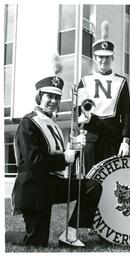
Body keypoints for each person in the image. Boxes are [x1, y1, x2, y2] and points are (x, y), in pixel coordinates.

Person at [5, 75, 102, 247]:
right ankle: (5, 235)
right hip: (34, 186)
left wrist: (76, 148)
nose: (53, 101)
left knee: (91, 186)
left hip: (53, 183)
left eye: (57, 97)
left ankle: (70, 234)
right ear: (39, 96)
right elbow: (33, 160)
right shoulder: (29, 122)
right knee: (36, 242)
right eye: (49, 96)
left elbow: (65, 160)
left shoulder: (53, 124)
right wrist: (64, 157)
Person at [78, 21, 130, 174]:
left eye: (107, 57)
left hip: (113, 139)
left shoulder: (121, 81)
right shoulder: (85, 80)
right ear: (94, 58)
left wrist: (125, 140)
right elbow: (78, 111)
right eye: (100, 57)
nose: (103, 60)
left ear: (112, 58)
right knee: (89, 180)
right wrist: (81, 117)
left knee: (112, 179)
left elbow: (126, 113)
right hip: (91, 138)